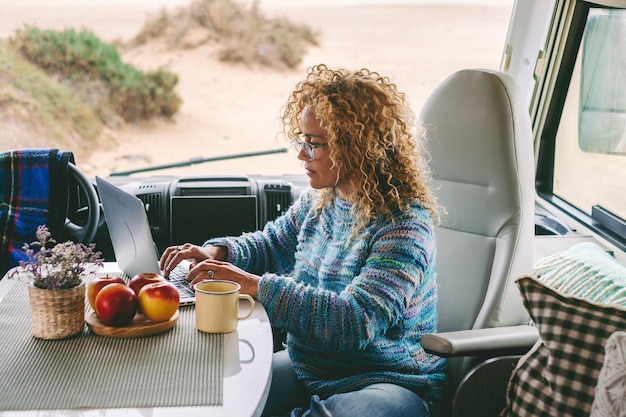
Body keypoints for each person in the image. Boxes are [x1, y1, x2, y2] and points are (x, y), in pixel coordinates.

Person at [160, 63, 447, 417]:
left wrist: (256, 286)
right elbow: (269, 246)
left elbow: (355, 321)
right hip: (311, 369)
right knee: (219, 396)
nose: (301, 156)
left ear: (355, 147)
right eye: (302, 142)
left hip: (389, 381)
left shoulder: (404, 226)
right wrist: (217, 251)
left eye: (313, 145)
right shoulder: (320, 201)